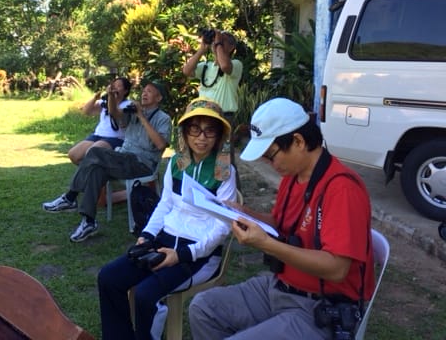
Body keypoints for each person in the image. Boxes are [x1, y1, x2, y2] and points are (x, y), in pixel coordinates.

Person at [188, 97, 375, 340]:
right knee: (203, 307)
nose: (268, 163)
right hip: (280, 287)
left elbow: (337, 268)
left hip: (320, 306)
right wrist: (244, 214)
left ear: (298, 141)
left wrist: (266, 244)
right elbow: (283, 223)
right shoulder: (293, 175)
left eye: (270, 155)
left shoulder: (342, 189)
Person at [97, 98, 237, 340]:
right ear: (184, 131)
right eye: (194, 129)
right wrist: (147, 235)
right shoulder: (177, 162)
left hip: (199, 254)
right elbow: (166, 204)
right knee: (108, 278)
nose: (201, 137)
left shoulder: (224, 170)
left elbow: (222, 226)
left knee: (145, 295)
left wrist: (183, 254)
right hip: (163, 240)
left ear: (219, 135)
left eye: (209, 130)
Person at [42, 80, 172, 243]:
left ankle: (70, 197)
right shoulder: (132, 111)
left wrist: (141, 116)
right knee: (97, 170)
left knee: (95, 152)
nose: (144, 94)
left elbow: (160, 144)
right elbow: (115, 114)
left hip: (142, 164)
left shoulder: (163, 118)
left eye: (150, 91)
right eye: (143, 91)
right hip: (123, 158)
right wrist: (111, 95)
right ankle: (89, 221)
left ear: (159, 98)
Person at [182, 29, 243, 162]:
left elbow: (225, 65)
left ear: (232, 47)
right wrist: (202, 49)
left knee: (224, 160)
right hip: (203, 115)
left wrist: (218, 43)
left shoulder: (236, 65)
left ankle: (229, 183)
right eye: (215, 41)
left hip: (223, 117)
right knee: (201, 157)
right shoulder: (206, 66)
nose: (216, 44)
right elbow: (186, 71)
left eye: (222, 41)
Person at [67, 77, 132, 165]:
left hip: (115, 139)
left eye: (119, 86)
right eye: (114, 86)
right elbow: (87, 111)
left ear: (125, 91)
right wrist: (95, 98)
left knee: (91, 153)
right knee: (73, 154)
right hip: (97, 136)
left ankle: (93, 175)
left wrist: (111, 97)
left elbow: (113, 112)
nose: (115, 88)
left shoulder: (127, 105)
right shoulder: (104, 102)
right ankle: (93, 173)